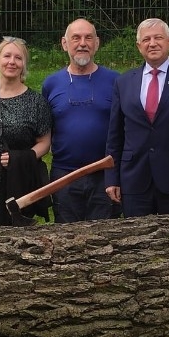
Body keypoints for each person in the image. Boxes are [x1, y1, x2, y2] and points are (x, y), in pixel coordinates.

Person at [104, 18, 169, 217]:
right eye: (146, 39)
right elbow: (115, 134)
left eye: (158, 38)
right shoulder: (124, 82)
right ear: (138, 46)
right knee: (136, 241)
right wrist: (112, 178)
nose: (152, 43)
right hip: (134, 179)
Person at [41, 18, 121, 222]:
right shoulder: (51, 84)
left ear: (97, 43)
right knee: (66, 239)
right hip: (64, 176)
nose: (82, 43)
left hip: (105, 175)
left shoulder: (116, 81)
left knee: (106, 237)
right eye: (75, 38)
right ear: (64, 43)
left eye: (88, 38)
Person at [0, 37, 52, 226]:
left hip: (17, 183)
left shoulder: (36, 102)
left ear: (24, 65)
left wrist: (22, 157)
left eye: (18, 58)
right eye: (6, 56)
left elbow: (45, 142)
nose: (12, 62)